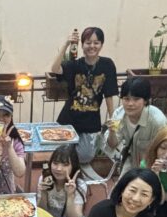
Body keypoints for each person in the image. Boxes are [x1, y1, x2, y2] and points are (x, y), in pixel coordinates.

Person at [50, 26, 118, 165]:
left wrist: (113, 120)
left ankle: (72, 169)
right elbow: (55, 69)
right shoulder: (74, 65)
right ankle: (69, 173)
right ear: (82, 45)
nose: (92, 46)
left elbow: (109, 94)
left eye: (96, 42)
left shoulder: (107, 65)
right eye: (88, 42)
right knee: (63, 154)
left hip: (90, 122)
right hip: (69, 118)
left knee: (86, 156)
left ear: (101, 45)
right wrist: (66, 44)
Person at [105, 77, 167, 174]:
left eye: (136, 99)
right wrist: (111, 132)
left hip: (152, 166)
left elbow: (165, 150)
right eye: (126, 99)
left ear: (145, 100)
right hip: (132, 161)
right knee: (121, 184)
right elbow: (112, 144)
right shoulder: (119, 114)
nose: (130, 104)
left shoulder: (158, 121)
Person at [37, 144, 88, 217]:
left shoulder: (79, 185)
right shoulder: (45, 179)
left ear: (73, 166)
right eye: (55, 163)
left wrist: (70, 196)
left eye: (65, 165)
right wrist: (44, 193)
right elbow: (42, 213)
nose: (59, 168)